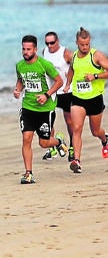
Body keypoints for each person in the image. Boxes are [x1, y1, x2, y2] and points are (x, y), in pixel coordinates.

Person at [14, 35, 67, 184]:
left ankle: (57, 141)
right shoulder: (19, 65)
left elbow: (59, 81)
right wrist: (18, 90)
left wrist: (46, 95)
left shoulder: (44, 65)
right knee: (26, 138)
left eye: (28, 49)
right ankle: (28, 174)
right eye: (23, 49)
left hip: (45, 109)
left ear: (35, 49)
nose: (25, 52)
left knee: (43, 143)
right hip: (28, 107)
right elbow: (21, 80)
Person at [64, 27, 108, 173]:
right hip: (78, 98)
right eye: (82, 44)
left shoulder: (96, 56)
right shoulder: (74, 56)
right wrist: (67, 84)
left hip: (95, 99)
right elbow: (71, 70)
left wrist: (95, 76)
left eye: (87, 44)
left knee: (95, 131)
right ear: (77, 42)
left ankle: (105, 138)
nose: (85, 47)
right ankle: (77, 161)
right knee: (76, 129)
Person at [41, 32, 75, 161]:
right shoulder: (45, 52)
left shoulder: (65, 53)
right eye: (47, 43)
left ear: (58, 41)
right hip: (51, 92)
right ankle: (53, 147)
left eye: (52, 43)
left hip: (66, 92)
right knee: (48, 121)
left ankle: (72, 147)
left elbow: (77, 66)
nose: (49, 46)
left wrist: (69, 81)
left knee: (69, 121)